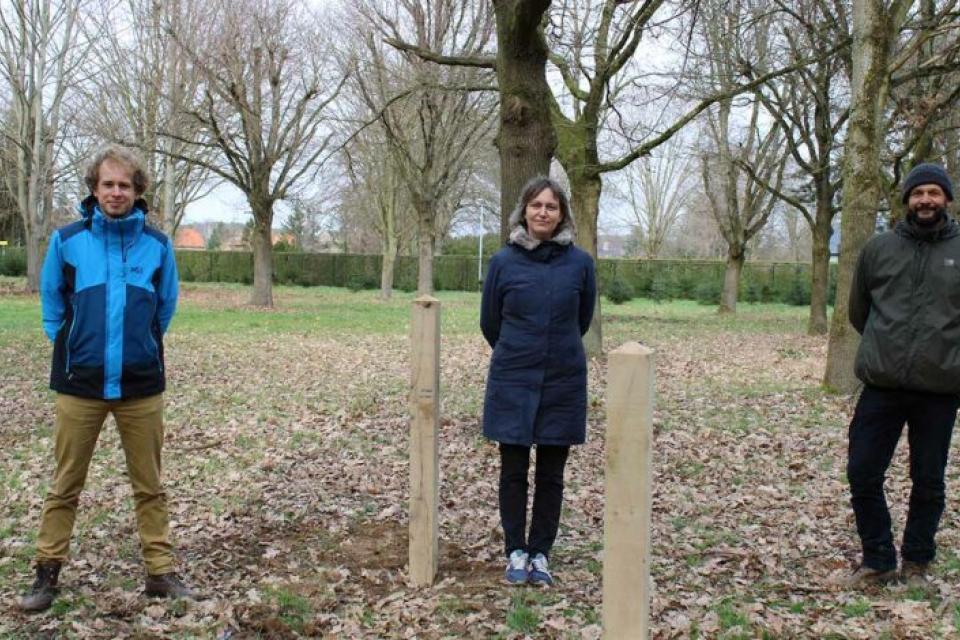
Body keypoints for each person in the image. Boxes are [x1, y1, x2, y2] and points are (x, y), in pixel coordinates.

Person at [19, 145, 191, 612]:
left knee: (150, 485)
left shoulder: (157, 246)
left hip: (140, 386)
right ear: (94, 188)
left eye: (125, 185)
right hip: (80, 385)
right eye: (108, 184)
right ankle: (46, 575)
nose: (116, 192)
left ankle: (160, 573)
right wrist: (67, 343)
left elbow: (166, 306)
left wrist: (144, 346)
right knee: (64, 484)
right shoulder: (68, 240)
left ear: (138, 192)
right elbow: (52, 302)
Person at [846, 162, 960, 587]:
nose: (925, 200)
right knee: (862, 472)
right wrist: (885, 348)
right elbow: (860, 311)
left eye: (934, 192)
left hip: (940, 388)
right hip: (882, 386)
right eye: (917, 193)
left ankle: (917, 562)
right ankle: (878, 559)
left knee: (928, 480)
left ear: (946, 198)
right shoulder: (879, 250)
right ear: (906, 200)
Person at [480, 176, 596, 586]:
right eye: (536, 205)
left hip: (562, 380)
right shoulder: (502, 262)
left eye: (551, 206)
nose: (543, 212)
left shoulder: (580, 264)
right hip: (513, 378)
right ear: (523, 211)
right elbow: (490, 323)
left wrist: (551, 350)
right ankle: (515, 549)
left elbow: (582, 320)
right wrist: (521, 350)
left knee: (551, 474)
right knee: (512, 471)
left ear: (562, 213)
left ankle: (541, 553)